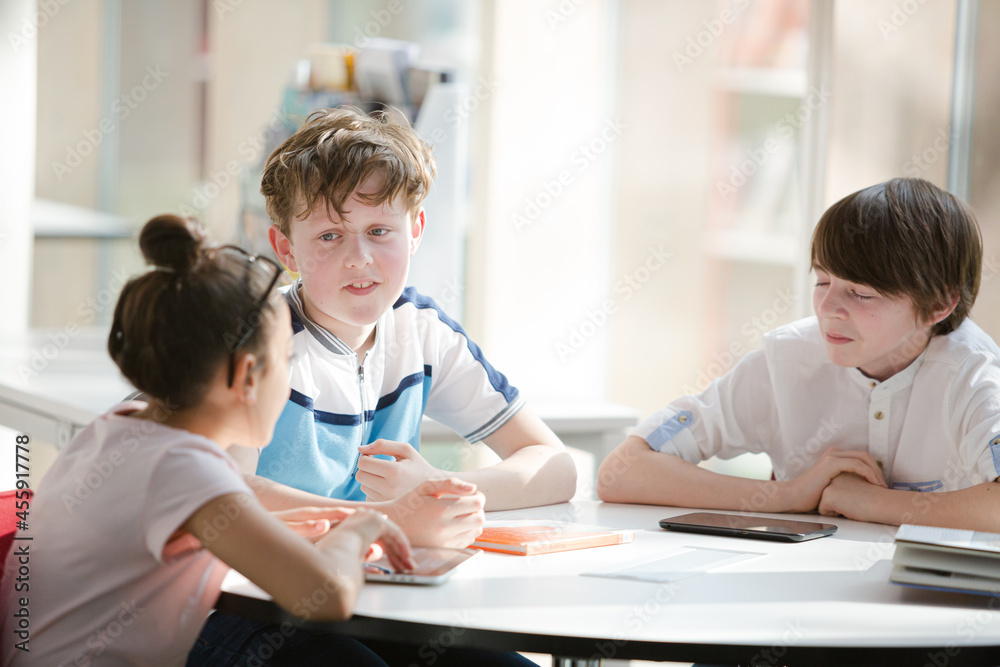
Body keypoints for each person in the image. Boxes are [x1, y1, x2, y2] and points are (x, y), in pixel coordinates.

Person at [191, 106, 568, 665]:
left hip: (371, 598)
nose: (359, 258)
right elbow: (224, 493)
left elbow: (554, 464)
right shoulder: (260, 337)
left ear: (415, 230)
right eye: (329, 235)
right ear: (285, 248)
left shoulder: (422, 331)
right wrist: (391, 517)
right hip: (241, 606)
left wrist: (435, 489)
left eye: (378, 231)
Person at [0, 215, 416, 667]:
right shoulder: (184, 468)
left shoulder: (119, 429)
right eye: (286, 359)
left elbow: (188, 525)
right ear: (246, 376)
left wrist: (310, 524)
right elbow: (327, 596)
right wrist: (359, 529)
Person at [598, 178, 1000, 533]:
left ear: (938, 305)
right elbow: (622, 471)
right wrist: (790, 494)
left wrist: (875, 503)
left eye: (861, 293)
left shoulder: (973, 374)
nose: (828, 309)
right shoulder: (787, 359)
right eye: (822, 281)